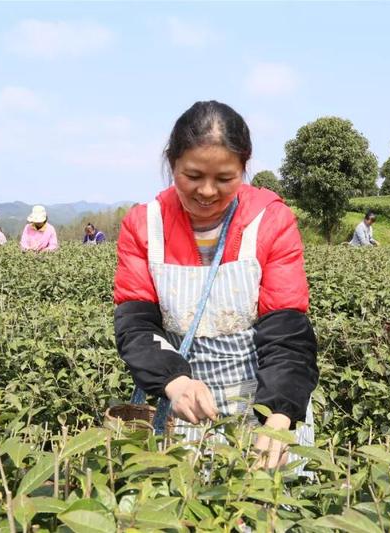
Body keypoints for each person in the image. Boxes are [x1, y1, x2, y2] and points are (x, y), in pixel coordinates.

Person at [114, 101, 318, 468]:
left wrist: (279, 414)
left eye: (225, 179)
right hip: (186, 406)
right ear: (172, 164)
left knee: (270, 495)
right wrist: (175, 383)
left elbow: (287, 331)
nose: (207, 191)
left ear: (244, 168)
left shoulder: (270, 221)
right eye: (193, 176)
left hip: (264, 407)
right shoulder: (145, 226)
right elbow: (136, 327)